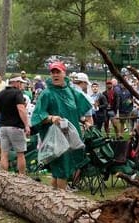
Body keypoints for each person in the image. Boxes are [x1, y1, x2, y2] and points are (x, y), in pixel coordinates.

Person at [30, 61, 92, 190]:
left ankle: (52, 199)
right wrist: (51, 118)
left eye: (58, 72)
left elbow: (76, 110)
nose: (55, 75)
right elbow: (37, 115)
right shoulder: (47, 94)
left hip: (71, 136)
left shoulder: (71, 92)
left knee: (59, 170)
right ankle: (62, 199)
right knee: (62, 168)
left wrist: (84, 121)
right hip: (55, 138)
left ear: (64, 73)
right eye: (53, 72)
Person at [0, 75, 31, 173]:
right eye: (21, 83)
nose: (22, 85)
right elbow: (21, 109)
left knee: (4, 154)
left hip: (3, 127)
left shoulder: (0, 94)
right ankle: (21, 178)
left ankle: (4, 176)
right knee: (20, 154)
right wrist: (26, 125)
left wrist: (5, 108)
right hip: (16, 127)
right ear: (16, 83)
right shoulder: (17, 93)